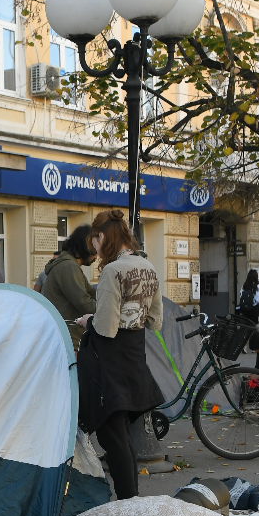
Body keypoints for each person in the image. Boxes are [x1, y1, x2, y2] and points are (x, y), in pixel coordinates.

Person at [75, 210, 162, 501]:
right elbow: (155, 319)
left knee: (113, 437)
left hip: (109, 359)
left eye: (95, 241)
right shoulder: (147, 266)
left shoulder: (113, 271)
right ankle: (131, 500)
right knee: (121, 434)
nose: (94, 248)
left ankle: (128, 503)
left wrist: (89, 320)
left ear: (103, 237)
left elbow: (107, 327)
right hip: (134, 355)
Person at [40, 226, 96, 349]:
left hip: (66, 336)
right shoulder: (68, 267)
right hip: (69, 339)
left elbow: (88, 292)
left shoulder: (68, 265)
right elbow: (84, 303)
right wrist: (110, 310)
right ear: (85, 246)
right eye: (94, 250)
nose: (96, 257)